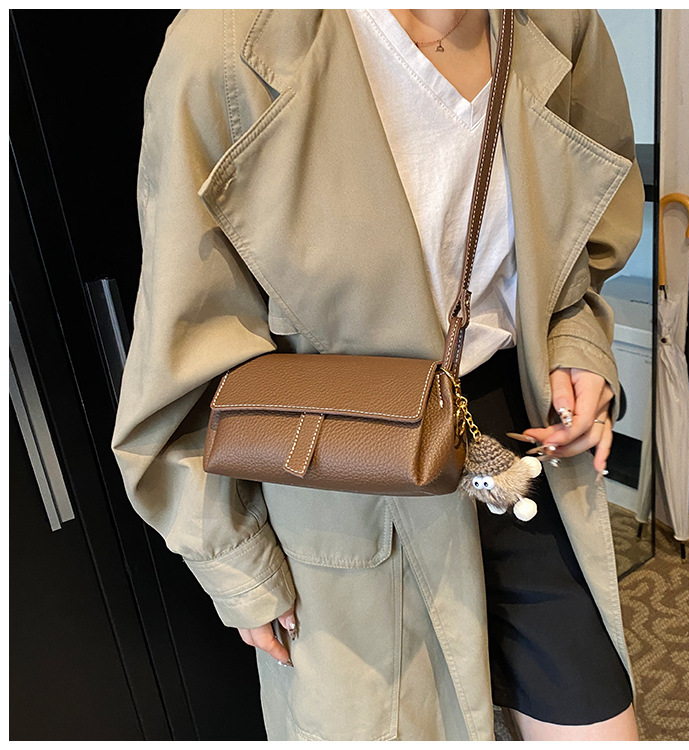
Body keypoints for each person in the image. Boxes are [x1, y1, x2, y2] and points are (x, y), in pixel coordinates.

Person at [112, 9, 644, 741]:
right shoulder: (227, 44)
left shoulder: (559, 22)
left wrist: (576, 341)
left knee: (597, 717)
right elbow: (184, 338)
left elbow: (583, 232)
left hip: (512, 431)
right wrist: (234, 560)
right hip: (338, 468)